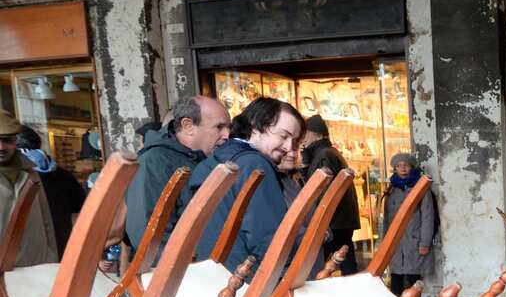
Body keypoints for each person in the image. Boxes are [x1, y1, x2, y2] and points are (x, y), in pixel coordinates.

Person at [189, 97, 302, 272]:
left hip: (212, 275)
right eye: (283, 136)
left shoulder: (215, 160)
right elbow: (267, 238)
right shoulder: (255, 165)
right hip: (245, 281)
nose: (289, 147)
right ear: (256, 128)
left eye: (294, 140)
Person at [124, 95, 230, 250]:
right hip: (186, 269)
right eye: (219, 127)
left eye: (228, 127)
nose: (226, 135)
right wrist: (191, 267)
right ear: (188, 125)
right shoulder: (155, 162)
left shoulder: (207, 159)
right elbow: (148, 236)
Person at [300, 115, 360, 274]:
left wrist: (318, 218)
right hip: (339, 219)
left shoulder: (324, 155)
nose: (302, 138)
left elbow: (321, 189)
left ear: (317, 134)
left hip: (332, 220)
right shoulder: (326, 152)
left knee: (323, 262)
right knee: (345, 260)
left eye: (306, 133)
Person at [17, 126, 85, 257]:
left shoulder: (19, 179)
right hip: (64, 249)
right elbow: (79, 213)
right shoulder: (65, 176)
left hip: (29, 256)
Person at [0, 111, 57, 266]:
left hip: (35, 264)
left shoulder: (30, 174)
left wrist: (50, 259)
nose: (1, 147)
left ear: (15, 141)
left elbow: (46, 221)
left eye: (6, 140)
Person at [382, 152, 436, 297]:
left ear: (411, 167)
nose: (402, 169)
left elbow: (427, 216)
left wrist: (424, 242)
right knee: (396, 282)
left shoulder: (421, 189)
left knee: (414, 283)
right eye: (399, 166)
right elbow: (386, 218)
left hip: (414, 241)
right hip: (396, 244)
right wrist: (384, 243)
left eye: (405, 165)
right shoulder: (391, 190)